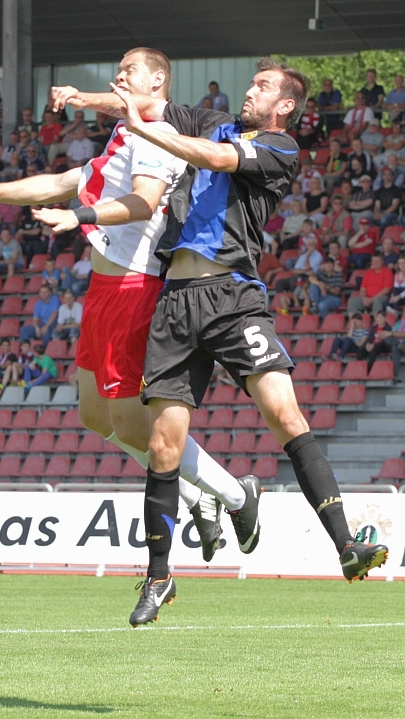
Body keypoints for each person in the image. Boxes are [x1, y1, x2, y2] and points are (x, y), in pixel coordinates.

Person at [84, 55, 387, 621]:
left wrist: (139, 125)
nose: (250, 91)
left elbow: (212, 157)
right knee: (162, 446)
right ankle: (158, 578)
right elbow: (149, 104)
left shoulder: (279, 148)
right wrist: (87, 99)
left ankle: (346, 545)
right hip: (175, 302)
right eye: (251, 83)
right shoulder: (212, 121)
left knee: (284, 415)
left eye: (262, 86)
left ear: (286, 104)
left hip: (232, 297)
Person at [0, 47, 249, 570]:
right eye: (116, 71)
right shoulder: (125, 133)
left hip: (133, 289)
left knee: (133, 427)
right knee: (94, 416)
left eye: (129, 71)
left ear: (158, 82)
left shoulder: (156, 136)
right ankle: (197, 496)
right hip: (103, 289)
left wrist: (80, 217)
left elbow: (144, 202)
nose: (118, 77)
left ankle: (234, 493)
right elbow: (58, 183)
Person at [363, 311, 401, 381]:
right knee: (361, 349)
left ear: (385, 319)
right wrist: (368, 344)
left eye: (382, 317)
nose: (380, 319)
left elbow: (386, 340)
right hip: (374, 345)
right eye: (378, 317)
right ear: (376, 318)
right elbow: (369, 339)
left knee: (374, 350)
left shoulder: (388, 328)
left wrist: (373, 345)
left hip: (383, 346)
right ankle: (360, 370)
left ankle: (368, 371)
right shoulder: (373, 328)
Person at [19, 283, 60, 347]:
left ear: (50, 293)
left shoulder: (55, 299)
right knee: (24, 330)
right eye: (42, 292)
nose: (44, 294)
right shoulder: (38, 303)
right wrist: (37, 327)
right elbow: (35, 319)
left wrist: (46, 326)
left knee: (45, 334)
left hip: (53, 324)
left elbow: (55, 313)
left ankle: (44, 352)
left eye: (46, 292)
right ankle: (26, 349)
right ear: (39, 293)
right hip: (42, 324)